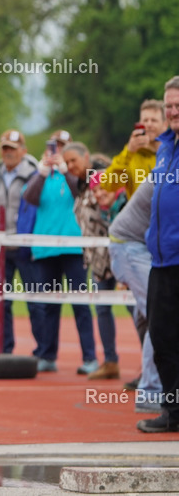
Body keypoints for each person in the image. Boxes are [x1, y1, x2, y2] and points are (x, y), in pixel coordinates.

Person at [22, 138, 97, 373]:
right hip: (46, 248)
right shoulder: (42, 176)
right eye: (54, 148)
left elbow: (80, 192)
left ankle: (89, 358)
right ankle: (47, 354)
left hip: (74, 248)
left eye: (63, 148)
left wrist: (66, 171)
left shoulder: (77, 175)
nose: (58, 153)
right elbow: (30, 198)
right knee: (48, 306)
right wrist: (43, 172)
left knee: (80, 304)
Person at [0, 129, 42, 356]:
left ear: (23, 150)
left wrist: (29, 238)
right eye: (5, 149)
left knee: (35, 301)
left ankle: (43, 351)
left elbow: (38, 211)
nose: (8, 153)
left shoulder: (35, 176)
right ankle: (4, 349)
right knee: (2, 302)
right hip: (0, 250)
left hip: (26, 249)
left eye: (12, 149)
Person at [139, 75, 179, 433]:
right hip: (161, 260)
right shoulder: (164, 147)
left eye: (178, 105)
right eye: (169, 105)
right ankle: (173, 410)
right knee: (162, 335)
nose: (173, 111)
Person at [63, 144, 118, 380]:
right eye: (66, 163)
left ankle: (154, 368)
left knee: (137, 309)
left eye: (73, 161)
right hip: (97, 259)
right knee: (102, 309)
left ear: (86, 156)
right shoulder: (80, 184)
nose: (69, 166)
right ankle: (110, 362)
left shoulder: (104, 177)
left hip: (117, 253)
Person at [107, 179, 161, 413]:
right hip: (130, 245)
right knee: (159, 316)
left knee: (152, 314)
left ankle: (157, 384)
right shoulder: (170, 169)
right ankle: (150, 391)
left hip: (140, 245)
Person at [102, 99, 166, 199]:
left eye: (154, 120)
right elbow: (108, 184)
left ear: (165, 124)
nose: (149, 124)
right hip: (140, 214)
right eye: (145, 120)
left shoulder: (173, 153)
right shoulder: (131, 155)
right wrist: (129, 151)